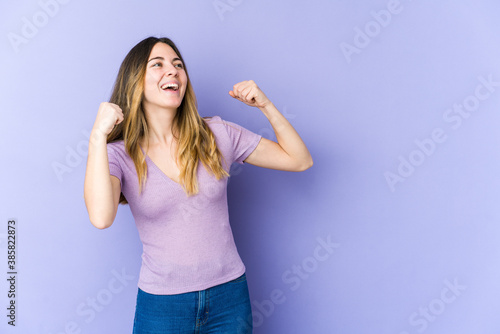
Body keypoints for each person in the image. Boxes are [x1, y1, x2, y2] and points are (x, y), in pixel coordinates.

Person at [83, 36, 313, 333]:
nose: (173, 71)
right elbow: (101, 217)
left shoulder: (217, 134)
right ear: (134, 81)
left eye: (178, 65)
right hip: (163, 306)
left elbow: (300, 159)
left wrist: (266, 106)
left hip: (229, 300)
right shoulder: (118, 154)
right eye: (158, 64)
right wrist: (97, 137)